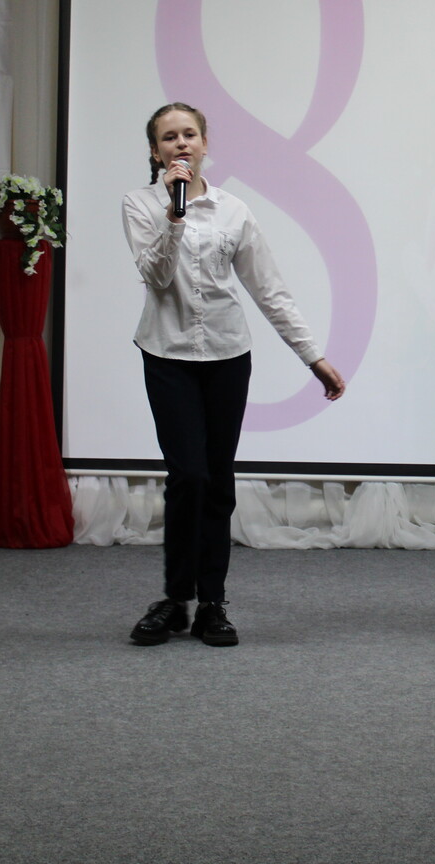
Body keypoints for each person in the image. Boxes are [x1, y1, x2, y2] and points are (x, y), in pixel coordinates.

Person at [123, 102, 346, 647]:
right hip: (168, 355)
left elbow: (269, 290)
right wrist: (174, 216)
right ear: (155, 151)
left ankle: (212, 603)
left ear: (205, 144)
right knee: (188, 477)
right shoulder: (141, 204)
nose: (181, 144)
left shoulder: (234, 211)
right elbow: (155, 276)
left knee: (217, 480)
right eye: (169, 137)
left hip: (227, 356)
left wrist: (312, 357)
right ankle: (175, 599)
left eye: (189, 134)